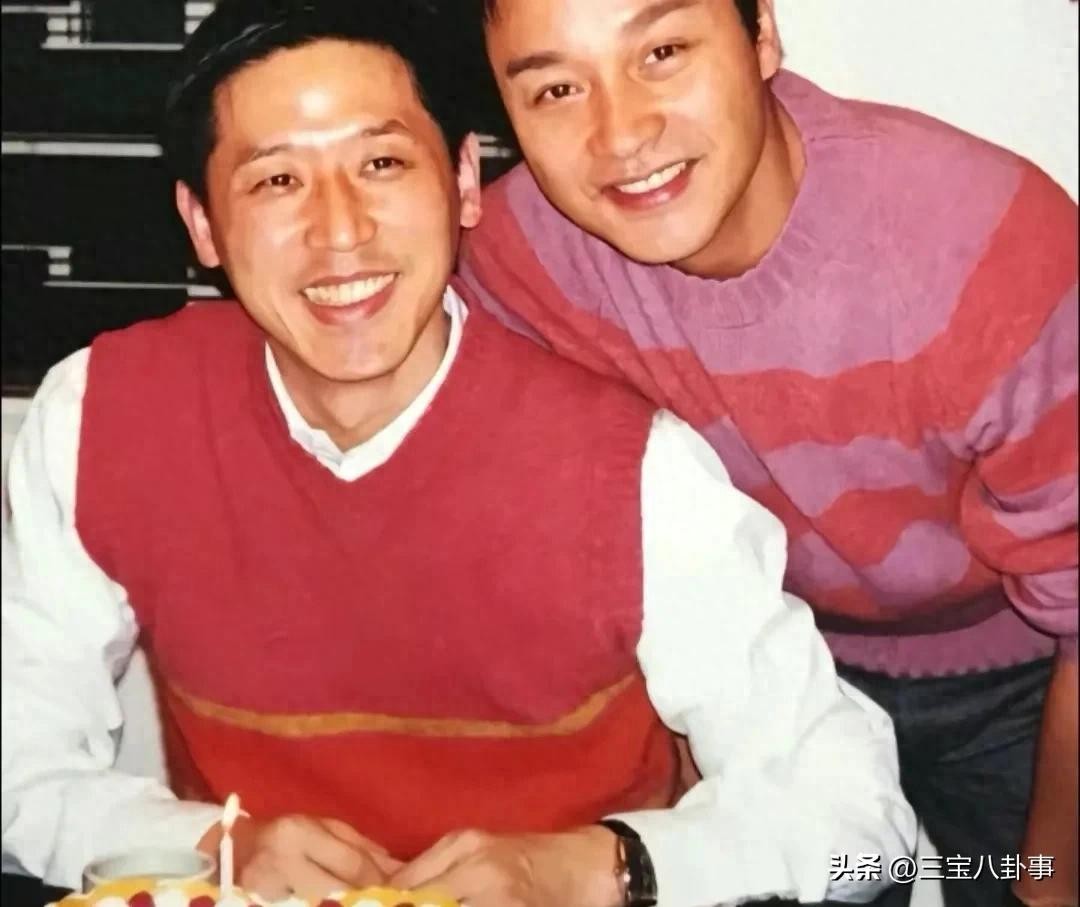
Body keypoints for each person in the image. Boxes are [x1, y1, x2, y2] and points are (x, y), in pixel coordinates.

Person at [0, 2, 915, 906]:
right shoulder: (104, 416)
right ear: (202, 224)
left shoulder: (626, 466)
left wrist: (598, 867)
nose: (340, 230)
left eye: (382, 163)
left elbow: (855, 814)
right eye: (277, 181)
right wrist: (209, 846)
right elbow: (20, 758)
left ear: (465, 181)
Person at [455, 1, 1079, 905]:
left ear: (762, 37)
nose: (620, 134)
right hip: (763, 681)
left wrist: (1048, 890)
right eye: (556, 89)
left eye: (663, 52)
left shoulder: (982, 241)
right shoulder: (518, 262)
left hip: (1023, 679)